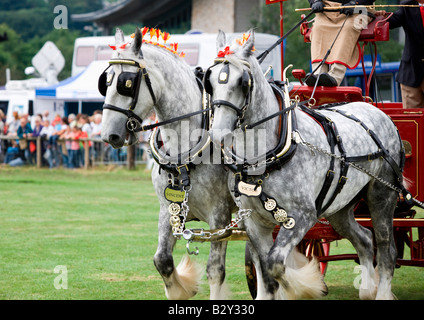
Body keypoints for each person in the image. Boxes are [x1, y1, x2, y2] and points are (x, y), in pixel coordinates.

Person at [306, 0, 375, 86]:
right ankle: (317, 73)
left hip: (358, 10)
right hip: (328, 9)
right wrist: (315, 1)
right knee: (317, 28)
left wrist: (355, 2)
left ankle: (335, 76)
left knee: (348, 27)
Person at [387, 0, 424, 108]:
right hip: (411, 74)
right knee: (413, 120)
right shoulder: (407, 5)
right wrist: (374, 14)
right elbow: (389, 22)